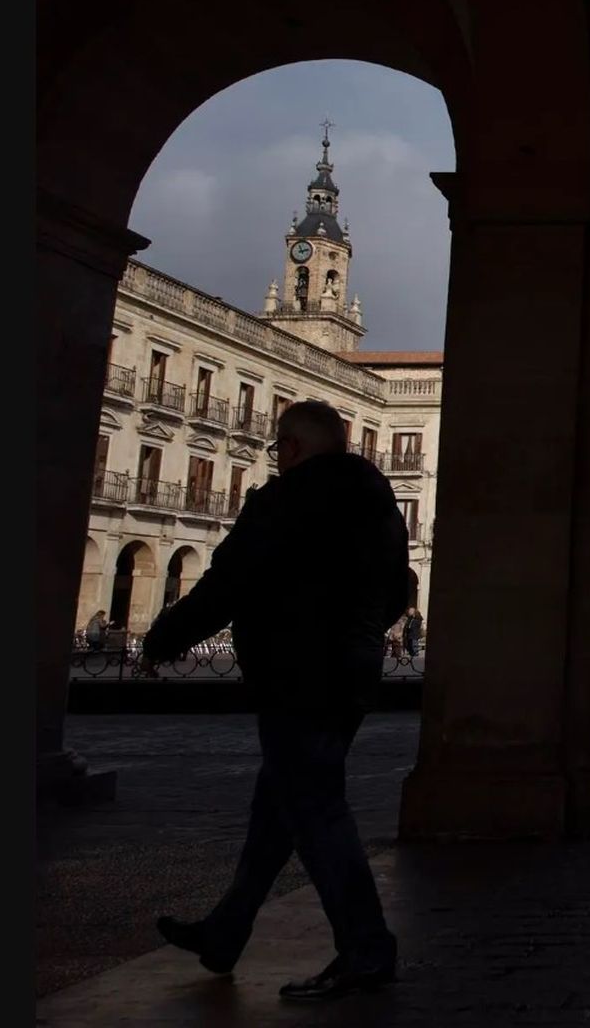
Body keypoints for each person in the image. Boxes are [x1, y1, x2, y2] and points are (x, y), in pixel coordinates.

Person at [141, 400, 408, 1002]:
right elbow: (402, 589)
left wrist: (163, 640)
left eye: (278, 449)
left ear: (290, 447)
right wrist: (357, 635)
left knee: (316, 811)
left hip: (296, 675)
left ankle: (366, 948)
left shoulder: (283, 501)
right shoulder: (382, 508)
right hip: (351, 674)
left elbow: (228, 583)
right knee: (278, 813)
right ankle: (225, 932)